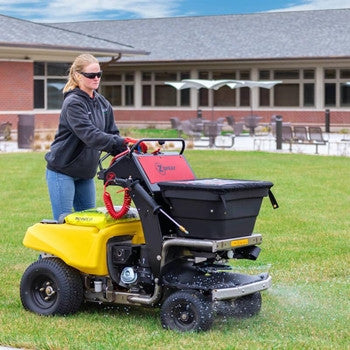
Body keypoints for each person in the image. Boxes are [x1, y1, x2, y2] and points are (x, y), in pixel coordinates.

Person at [45, 53, 145, 221]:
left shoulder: (103, 104)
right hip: (62, 170)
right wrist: (121, 142)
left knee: (89, 222)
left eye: (99, 74)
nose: (96, 78)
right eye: (91, 75)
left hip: (86, 173)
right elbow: (90, 135)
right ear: (77, 76)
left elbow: (112, 134)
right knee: (64, 221)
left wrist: (130, 150)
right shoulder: (73, 103)